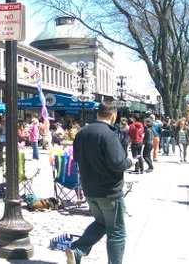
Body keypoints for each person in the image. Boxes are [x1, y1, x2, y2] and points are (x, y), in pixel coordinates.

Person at [66, 103, 134, 264]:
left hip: (89, 189)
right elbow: (118, 164)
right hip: (109, 191)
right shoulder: (109, 135)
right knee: (117, 231)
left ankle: (77, 250)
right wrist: (130, 161)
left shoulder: (82, 132)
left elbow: (76, 158)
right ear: (113, 116)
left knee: (102, 222)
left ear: (98, 114)